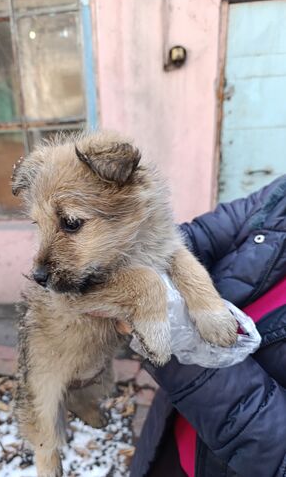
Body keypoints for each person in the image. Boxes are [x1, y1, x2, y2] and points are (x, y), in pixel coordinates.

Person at [121, 175, 286, 477]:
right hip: (171, 433)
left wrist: (186, 347)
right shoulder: (282, 195)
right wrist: (126, 250)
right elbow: (204, 234)